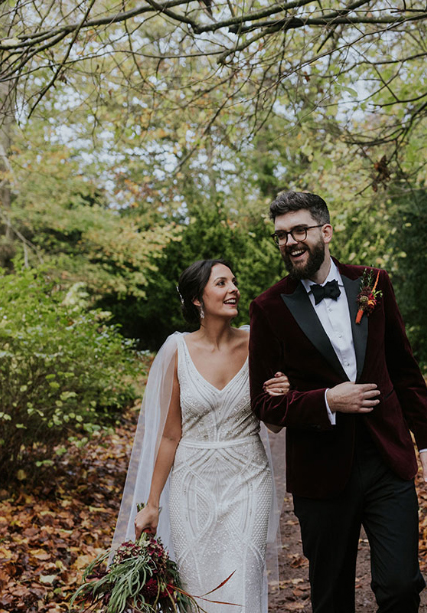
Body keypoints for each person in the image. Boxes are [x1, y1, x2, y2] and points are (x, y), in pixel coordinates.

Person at [248, 191, 427, 613]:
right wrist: (327, 401)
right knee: (331, 597)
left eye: (299, 230)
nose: (290, 241)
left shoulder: (373, 283)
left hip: (386, 457)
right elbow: (264, 404)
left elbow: (404, 369)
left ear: (326, 231)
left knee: (400, 586)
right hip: (320, 470)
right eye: (281, 235)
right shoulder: (267, 308)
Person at [113, 258, 289, 613]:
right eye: (221, 283)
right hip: (192, 485)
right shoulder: (176, 350)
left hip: (248, 480)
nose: (233, 289)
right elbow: (169, 436)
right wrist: (152, 504)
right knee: (197, 588)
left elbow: (274, 425)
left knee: (244, 581)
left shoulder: (257, 343)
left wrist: (282, 394)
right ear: (197, 298)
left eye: (233, 282)